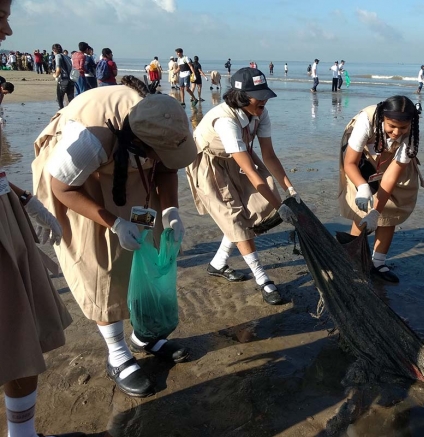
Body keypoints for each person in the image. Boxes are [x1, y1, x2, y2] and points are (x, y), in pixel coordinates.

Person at [31, 77, 197, 398]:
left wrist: (170, 212)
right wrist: (114, 223)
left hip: (128, 162)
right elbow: (62, 188)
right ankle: (117, 353)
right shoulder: (90, 140)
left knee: (147, 245)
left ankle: (144, 336)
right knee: (99, 261)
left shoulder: (163, 124)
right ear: (141, 144)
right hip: (75, 178)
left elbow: (166, 167)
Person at [0, 1, 84, 436]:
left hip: (5, 213)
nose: (9, 30)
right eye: (0, 14)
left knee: (20, 337)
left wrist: (26, 201)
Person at [186, 67, 299, 306]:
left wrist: (289, 189)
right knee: (234, 216)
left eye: (265, 95)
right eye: (259, 96)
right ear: (241, 96)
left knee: (255, 208)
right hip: (211, 163)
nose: (265, 101)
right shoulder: (226, 121)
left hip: (239, 157)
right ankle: (262, 279)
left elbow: (269, 155)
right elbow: (249, 170)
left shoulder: (260, 113)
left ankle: (218, 264)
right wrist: (281, 207)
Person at [338, 95, 422, 283]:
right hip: (361, 159)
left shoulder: (412, 135)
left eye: (403, 127)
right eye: (391, 126)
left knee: (389, 209)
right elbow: (350, 162)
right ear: (383, 118)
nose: (397, 132)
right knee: (361, 209)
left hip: (391, 160)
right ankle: (352, 258)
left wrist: (377, 211)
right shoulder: (366, 122)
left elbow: (392, 174)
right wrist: (362, 186)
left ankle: (378, 263)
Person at [52, 43, 74, 109]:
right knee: (71, 99)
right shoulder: (66, 56)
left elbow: (58, 69)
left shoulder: (58, 56)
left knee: (60, 98)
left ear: (54, 50)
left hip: (63, 80)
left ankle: (61, 113)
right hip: (70, 80)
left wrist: (55, 75)